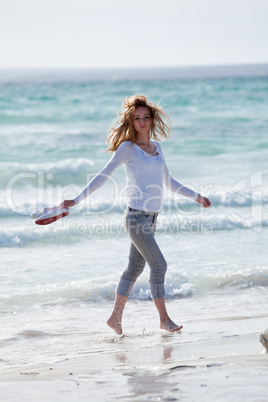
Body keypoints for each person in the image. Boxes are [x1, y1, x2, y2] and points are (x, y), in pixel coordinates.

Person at [61, 95, 211, 335]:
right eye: (137, 118)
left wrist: (196, 196)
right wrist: (76, 200)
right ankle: (164, 319)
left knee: (133, 270)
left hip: (151, 219)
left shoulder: (156, 148)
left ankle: (115, 319)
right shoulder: (128, 148)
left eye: (145, 117)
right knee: (159, 265)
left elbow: (169, 182)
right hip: (136, 218)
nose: (142, 122)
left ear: (152, 120)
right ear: (131, 122)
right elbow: (103, 175)